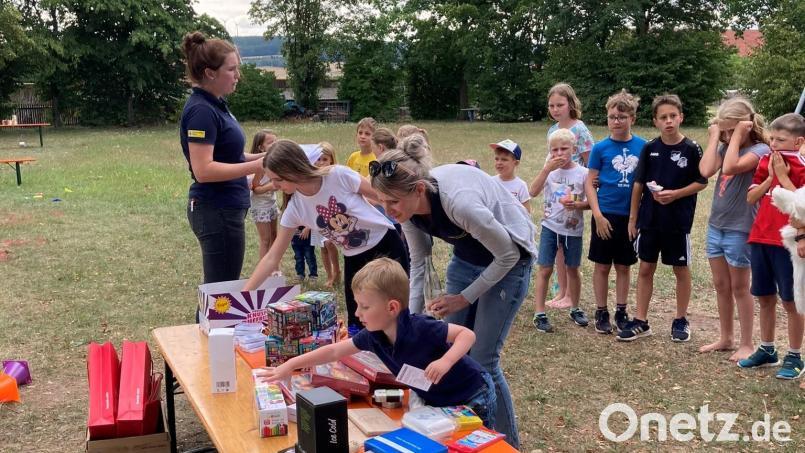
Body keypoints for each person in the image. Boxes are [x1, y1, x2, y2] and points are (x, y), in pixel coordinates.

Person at [370, 134, 536, 449]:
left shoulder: (459, 202)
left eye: (393, 202)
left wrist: (464, 297)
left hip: (510, 261)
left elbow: (508, 256)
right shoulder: (406, 211)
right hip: (468, 259)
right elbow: (418, 263)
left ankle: (509, 444)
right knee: (447, 350)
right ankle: (463, 433)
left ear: (419, 189)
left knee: (484, 359)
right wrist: (410, 320)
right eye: (382, 202)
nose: (388, 210)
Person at [256, 258, 497, 429]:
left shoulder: (420, 327)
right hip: (440, 401)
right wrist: (290, 365)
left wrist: (445, 361)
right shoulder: (373, 335)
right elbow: (334, 350)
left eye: (365, 306)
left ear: (391, 307)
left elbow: (466, 335)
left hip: (473, 394)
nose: (357, 312)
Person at [242, 140, 409, 338]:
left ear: (292, 169)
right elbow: (272, 257)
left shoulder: (338, 175)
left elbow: (382, 196)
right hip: (354, 259)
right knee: (359, 321)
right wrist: (244, 296)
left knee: (394, 313)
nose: (274, 186)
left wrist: (408, 222)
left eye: (277, 179)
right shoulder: (295, 208)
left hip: (386, 245)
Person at [179, 32, 266, 293]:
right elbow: (204, 170)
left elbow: (231, 157)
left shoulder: (217, 104)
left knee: (221, 288)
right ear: (210, 73)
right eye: (232, 69)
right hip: (216, 210)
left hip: (226, 208)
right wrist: (258, 166)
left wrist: (269, 157)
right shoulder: (201, 111)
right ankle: (201, 334)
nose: (238, 75)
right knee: (220, 292)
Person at [620, 94, 708, 342]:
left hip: (678, 221)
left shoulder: (692, 148)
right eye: (663, 117)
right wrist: (632, 219)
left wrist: (676, 194)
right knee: (646, 267)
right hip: (650, 220)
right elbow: (638, 184)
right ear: (655, 121)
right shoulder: (650, 148)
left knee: (680, 268)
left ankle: (680, 319)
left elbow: (702, 182)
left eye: (673, 116)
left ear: (681, 117)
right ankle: (641, 320)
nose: (669, 121)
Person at [698, 98, 770, 361]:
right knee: (720, 284)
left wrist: (737, 136)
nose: (727, 136)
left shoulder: (760, 150)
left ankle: (747, 343)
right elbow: (706, 170)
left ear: (745, 127)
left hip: (741, 228)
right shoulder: (726, 146)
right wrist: (716, 138)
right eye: (724, 131)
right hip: (717, 225)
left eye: (731, 130)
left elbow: (730, 167)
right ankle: (726, 337)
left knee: (740, 287)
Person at [738, 113, 805, 380]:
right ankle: (767, 348)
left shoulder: (801, 164)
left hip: (786, 242)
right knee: (764, 297)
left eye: (781, 139)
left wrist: (783, 176)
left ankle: (795, 354)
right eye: (772, 138)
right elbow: (750, 197)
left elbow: (801, 207)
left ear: (799, 140)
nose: (774, 144)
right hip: (761, 236)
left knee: (792, 301)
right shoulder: (766, 159)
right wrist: (770, 178)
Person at [584, 90, 646, 334]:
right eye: (612, 117)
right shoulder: (600, 148)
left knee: (624, 265)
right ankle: (601, 310)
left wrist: (636, 217)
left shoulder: (642, 147)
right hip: (605, 214)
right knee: (601, 265)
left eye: (621, 116)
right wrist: (598, 215)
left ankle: (621, 310)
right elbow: (590, 182)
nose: (616, 121)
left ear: (632, 118)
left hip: (629, 217)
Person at [530, 129, 590, 333]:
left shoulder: (583, 173)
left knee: (572, 268)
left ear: (574, 149)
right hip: (550, 227)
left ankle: (575, 307)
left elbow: (590, 202)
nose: (559, 154)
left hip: (573, 229)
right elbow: (533, 191)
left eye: (564, 149)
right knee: (545, 268)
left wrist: (577, 204)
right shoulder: (549, 172)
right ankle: (539, 312)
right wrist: (546, 170)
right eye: (554, 150)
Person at [545, 83, 595, 309]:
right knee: (556, 244)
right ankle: (561, 291)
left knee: (569, 245)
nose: (556, 109)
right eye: (552, 105)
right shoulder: (552, 130)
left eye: (560, 105)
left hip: (575, 191)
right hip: (557, 191)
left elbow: (591, 161)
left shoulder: (580, 130)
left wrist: (587, 192)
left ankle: (568, 294)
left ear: (570, 104)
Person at [312, 142, 342, 288]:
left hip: (332, 216)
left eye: (324, 159)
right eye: (318, 159)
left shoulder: (334, 175)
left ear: (331, 160)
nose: (320, 163)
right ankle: (329, 275)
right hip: (317, 216)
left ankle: (337, 271)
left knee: (330, 243)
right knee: (322, 246)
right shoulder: (311, 177)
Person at [248, 129, 280, 260]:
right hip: (260, 207)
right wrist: (271, 186)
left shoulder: (275, 162)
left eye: (276, 141)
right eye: (270, 142)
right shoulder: (260, 165)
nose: (275, 144)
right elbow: (255, 189)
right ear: (261, 147)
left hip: (272, 203)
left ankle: (275, 267)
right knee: (265, 239)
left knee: (275, 235)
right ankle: (264, 270)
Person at [490, 139, 531, 212]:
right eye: (497, 159)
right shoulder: (491, 182)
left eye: (504, 159)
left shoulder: (521, 186)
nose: (499, 162)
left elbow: (527, 212)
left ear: (516, 163)